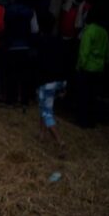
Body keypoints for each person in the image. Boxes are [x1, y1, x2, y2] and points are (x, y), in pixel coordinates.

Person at [35, 13, 67, 156]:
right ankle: (42, 134)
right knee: (43, 107)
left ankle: (59, 141)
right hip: (58, 80)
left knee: (47, 112)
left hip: (46, 81)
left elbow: (37, 64)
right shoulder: (59, 41)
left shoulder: (40, 42)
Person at [75, 8, 109, 128]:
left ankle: (82, 121)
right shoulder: (104, 32)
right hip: (99, 69)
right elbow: (108, 52)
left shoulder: (89, 30)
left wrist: (80, 65)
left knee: (84, 95)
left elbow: (84, 50)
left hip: (87, 68)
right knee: (93, 96)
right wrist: (104, 63)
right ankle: (91, 122)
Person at [2, 0, 39, 106]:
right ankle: (24, 100)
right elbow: (35, 30)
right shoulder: (30, 12)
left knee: (11, 75)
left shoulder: (8, 11)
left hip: (11, 47)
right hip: (25, 47)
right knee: (25, 76)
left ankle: (10, 99)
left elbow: (4, 28)